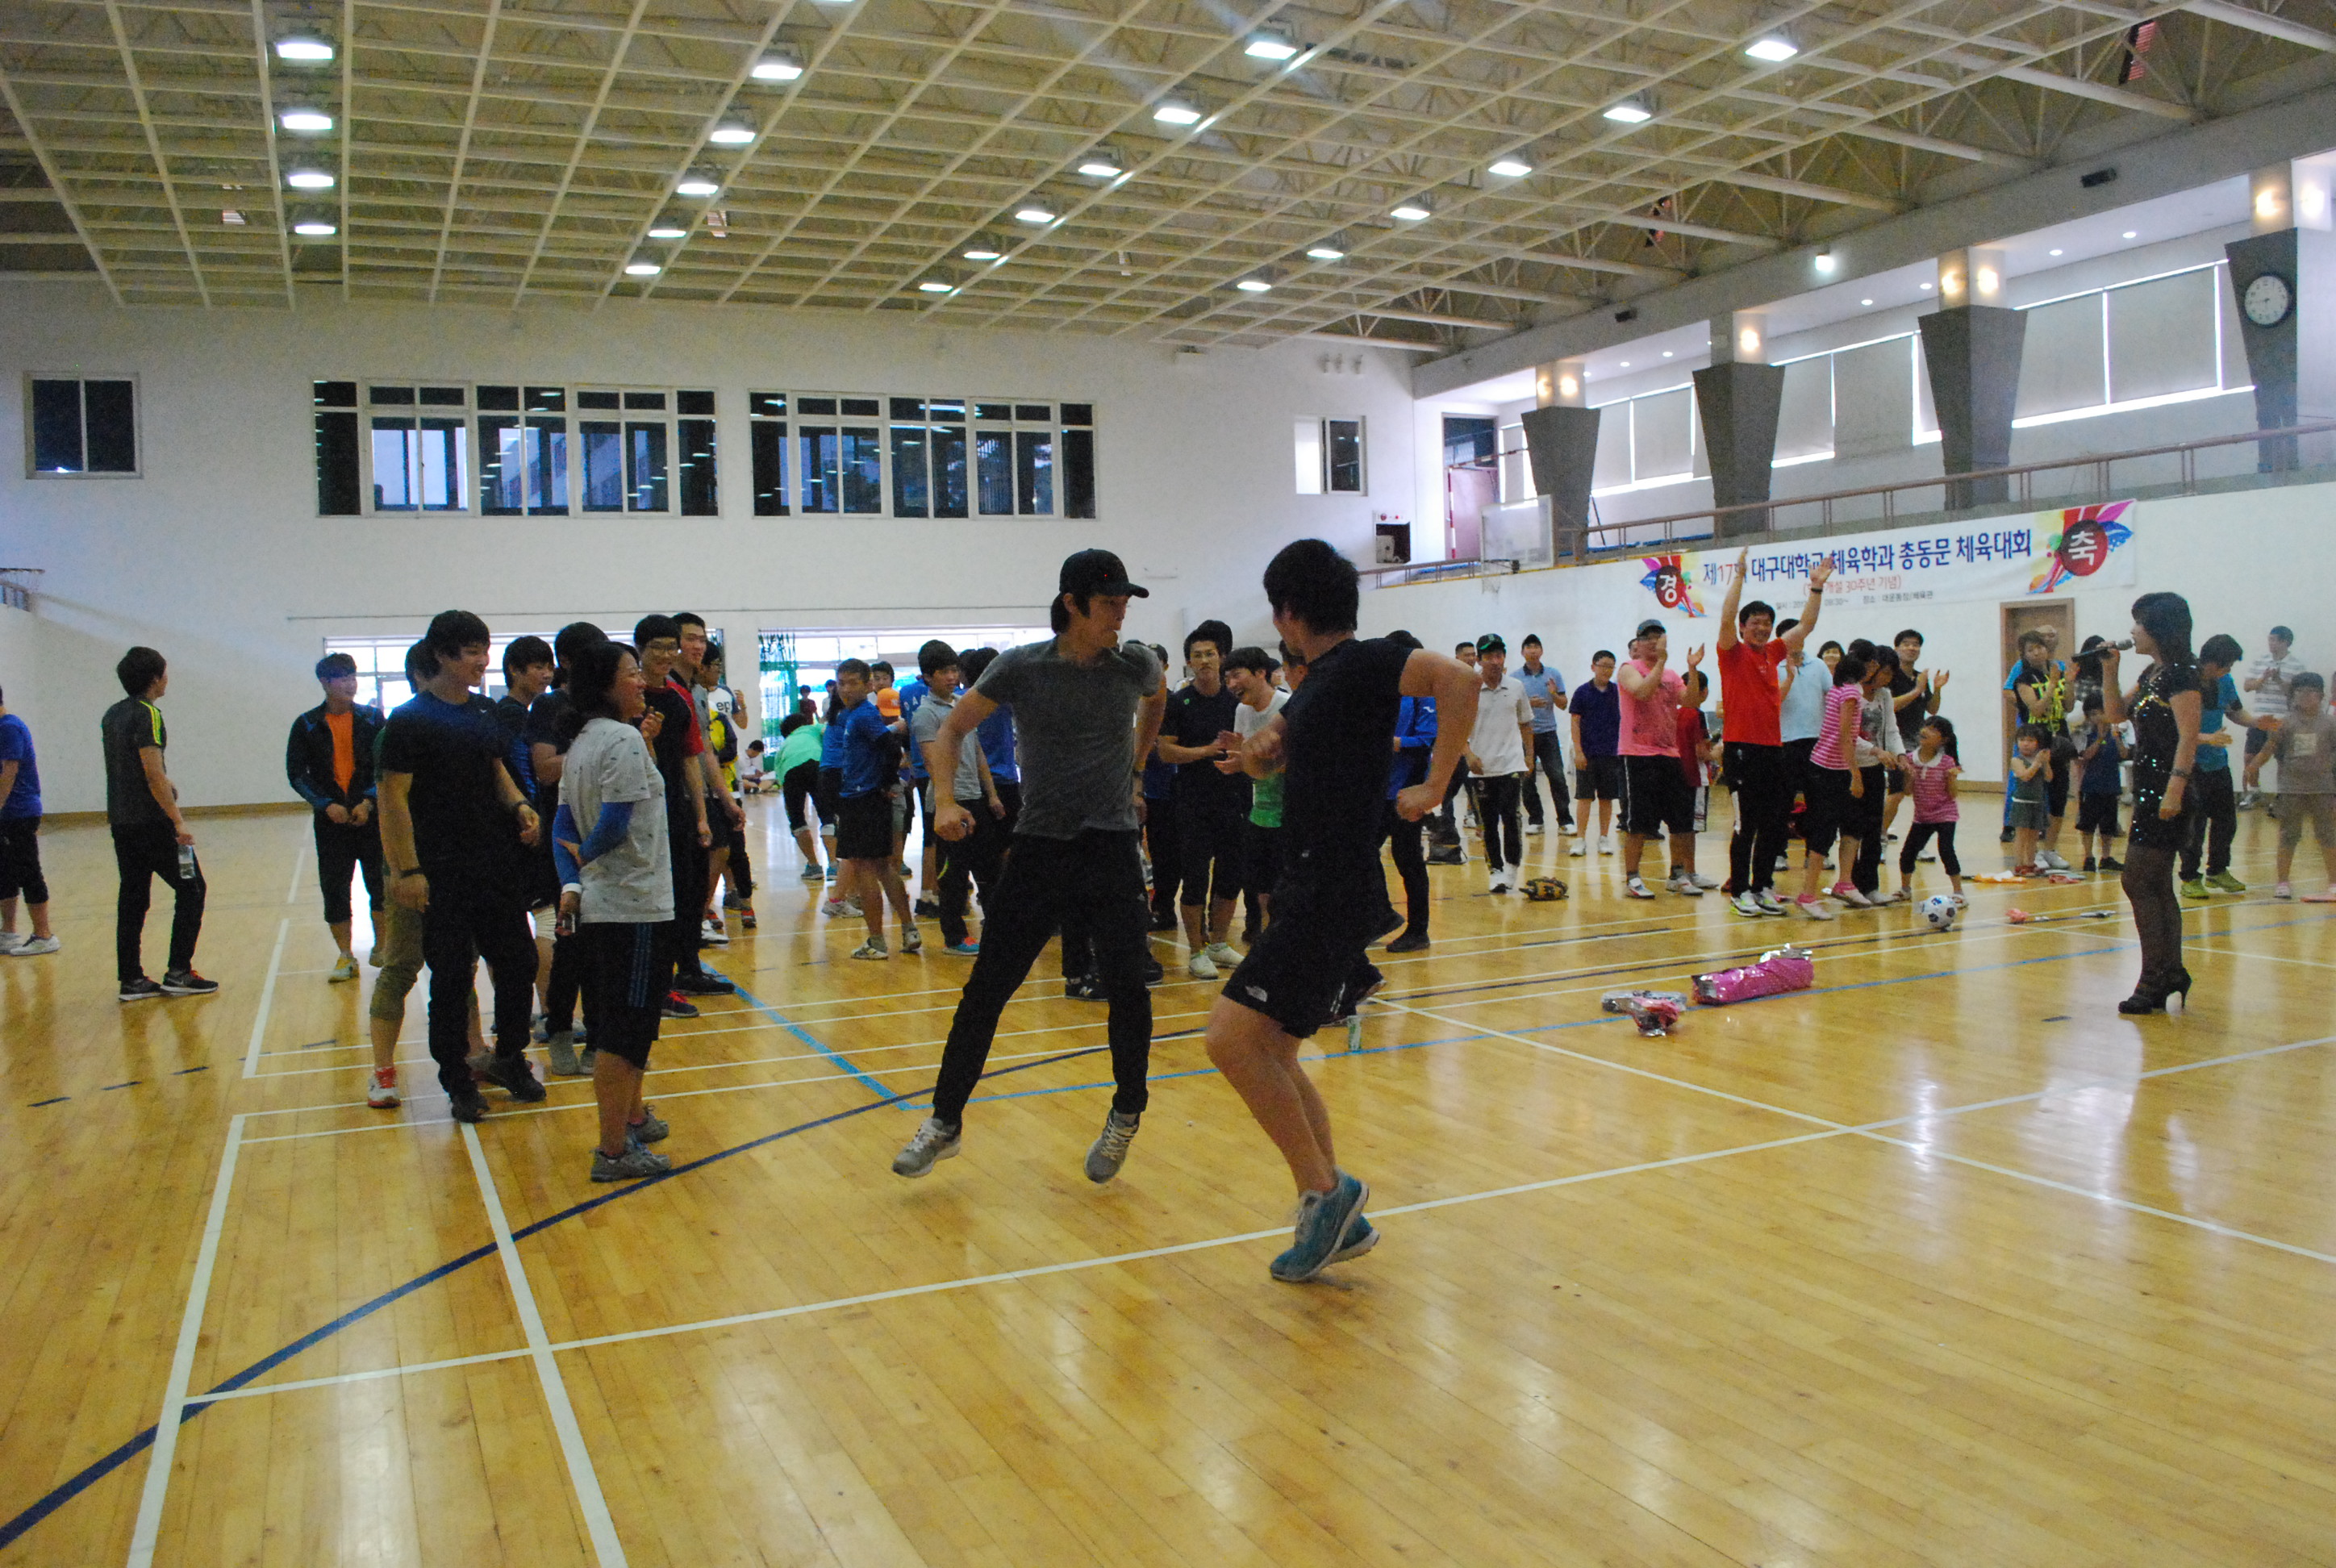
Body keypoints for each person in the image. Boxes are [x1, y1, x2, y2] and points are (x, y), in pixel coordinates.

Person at [1206, 539, 1479, 1282]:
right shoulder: (1320, 684)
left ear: (1289, 611)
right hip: (1314, 883)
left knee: (1230, 1041)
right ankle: (1330, 1207)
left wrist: (1436, 784)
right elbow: (1281, 753)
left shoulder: (1364, 661)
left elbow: (1459, 680)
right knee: (1274, 1050)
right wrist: (1255, 754)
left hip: (1329, 889)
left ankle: (1327, 1194)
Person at [892, 549, 1166, 1183]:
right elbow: (951, 732)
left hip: (1111, 845)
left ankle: (1127, 1110)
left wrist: (1137, 766)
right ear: (1072, 604)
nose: (1120, 615)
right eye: (1109, 604)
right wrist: (943, 800)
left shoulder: (1136, 664)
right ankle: (945, 1121)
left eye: (1125, 603)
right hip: (1041, 846)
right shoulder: (1022, 667)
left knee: (1128, 986)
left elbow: (1156, 703)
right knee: (987, 989)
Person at [378, 611, 546, 1120]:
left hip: (494, 864)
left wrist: (519, 805)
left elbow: (495, 768)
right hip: (442, 871)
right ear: (443, 656)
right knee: (452, 977)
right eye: (472, 652)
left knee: (518, 962)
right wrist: (408, 871)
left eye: (484, 649)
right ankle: (457, 1080)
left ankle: (509, 1057)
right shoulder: (409, 720)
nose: (483, 661)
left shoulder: (483, 712)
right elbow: (392, 799)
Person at [549, 639, 677, 1181]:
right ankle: (613, 1152)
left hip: (604, 903)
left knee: (622, 1024)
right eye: (631, 673)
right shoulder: (621, 739)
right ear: (605, 685)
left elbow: (560, 828)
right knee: (623, 1034)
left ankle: (633, 1118)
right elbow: (613, 824)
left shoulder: (583, 741)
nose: (642, 682)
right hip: (633, 906)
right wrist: (587, 859)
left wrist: (572, 882)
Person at [362, 642, 487, 1109]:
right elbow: (389, 806)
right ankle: (383, 1069)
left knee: (459, 965)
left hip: (455, 868)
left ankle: (475, 1051)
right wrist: (402, 871)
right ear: (424, 674)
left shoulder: (467, 720)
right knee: (401, 967)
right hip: (409, 870)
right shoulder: (399, 729)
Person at [2098, 594, 2201, 1012]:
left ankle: (2155, 976)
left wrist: (2175, 790)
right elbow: (2115, 715)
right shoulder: (2153, 673)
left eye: (2139, 623)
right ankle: (2169, 972)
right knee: (2154, 883)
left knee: (2138, 880)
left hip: (2168, 791)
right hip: (2147, 790)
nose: (2132, 631)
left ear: (2160, 628)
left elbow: (2188, 735)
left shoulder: (2182, 674)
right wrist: (2110, 671)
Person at [1714, 552, 1832, 916]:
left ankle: (1763, 886)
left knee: (1772, 823)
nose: (1762, 628)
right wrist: (1739, 578)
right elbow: (1726, 617)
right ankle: (1740, 891)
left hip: (1772, 750)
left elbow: (1806, 626)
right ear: (1743, 627)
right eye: (1755, 623)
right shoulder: (1731, 653)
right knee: (1745, 824)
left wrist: (1816, 588)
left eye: (1767, 623)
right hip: (1740, 751)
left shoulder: (1774, 653)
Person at [102, 646, 215, 1000]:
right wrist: (178, 822)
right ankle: (179, 972)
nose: (167, 678)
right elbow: (151, 773)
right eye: (165, 672)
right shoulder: (148, 714)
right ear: (155, 678)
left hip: (122, 822)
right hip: (152, 823)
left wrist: (166, 782)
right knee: (192, 888)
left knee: (133, 897)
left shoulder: (113, 714)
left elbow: (137, 769)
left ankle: (131, 979)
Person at [634, 615, 731, 1007]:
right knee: (657, 898)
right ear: (640, 650)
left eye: (669, 647)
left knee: (689, 891)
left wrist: (702, 815)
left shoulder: (679, 697)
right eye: (657, 647)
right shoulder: (631, 696)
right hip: (640, 810)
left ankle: (688, 968)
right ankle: (655, 985)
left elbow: (693, 756)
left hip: (678, 807)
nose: (665, 654)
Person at [525, 620, 605, 1076]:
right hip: (562, 838)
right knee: (568, 942)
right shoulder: (550, 706)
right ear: (570, 662)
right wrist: (596, 753)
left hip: (604, 840)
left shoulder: (608, 708)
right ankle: (558, 1028)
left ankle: (598, 1037)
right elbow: (544, 768)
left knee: (601, 948)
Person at [286, 652, 386, 984]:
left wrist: (369, 801)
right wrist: (326, 804)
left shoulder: (373, 719)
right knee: (335, 889)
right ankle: (346, 955)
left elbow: (385, 765)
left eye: (353, 676)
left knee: (380, 884)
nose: (350, 684)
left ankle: (382, 947)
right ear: (325, 682)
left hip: (371, 820)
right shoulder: (306, 725)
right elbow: (297, 774)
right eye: (342, 678)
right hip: (331, 824)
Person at [1159, 621, 1247, 978]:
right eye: (1197, 655)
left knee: (1230, 875)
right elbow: (1165, 751)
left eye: (1210, 654)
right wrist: (1205, 751)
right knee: (1195, 878)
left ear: (1222, 657)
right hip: (1193, 802)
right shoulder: (1179, 702)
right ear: (1189, 662)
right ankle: (1196, 951)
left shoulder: (1237, 702)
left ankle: (1219, 944)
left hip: (1235, 800)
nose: (1205, 660)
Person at [910, 644, 1006, 956]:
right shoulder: (925, 714)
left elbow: (977, 753)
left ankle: (998, 929)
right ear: (928, 677)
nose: (952, 677)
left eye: (954, 670)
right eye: (944, 672)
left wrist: (991, 794)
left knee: (989, 868)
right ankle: (954, 937)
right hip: (948, 804)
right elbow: (932, 761)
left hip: (974, 797)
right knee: (954, 873)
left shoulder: (963, 705)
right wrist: (947, 803)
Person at [833, 657, 920, 958]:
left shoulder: (863, 716)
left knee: (865, 869)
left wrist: (884, 783)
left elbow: (891, 749)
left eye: (853, 683)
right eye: (841, 683)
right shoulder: (854, 715)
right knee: (883, 866)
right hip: (863, 798)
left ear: (868, 685)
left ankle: (877, 941)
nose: (846, 689)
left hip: (863, 800)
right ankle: (909, 930)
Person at [1614, 620, 1704, 899]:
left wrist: (1692, 669)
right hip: (1638, 754)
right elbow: (1642, 692)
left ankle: (1677, 875)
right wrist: (1661, 661)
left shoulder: (1672, 674)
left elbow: (1691, 702)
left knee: (1681, 819)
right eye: (1648, 638)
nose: (1654, 643)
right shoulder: (1628, 669)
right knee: (1638, 822)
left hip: (1669, 753)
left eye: (1659, 638)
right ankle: (1633, 878)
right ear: (1638, 644)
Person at [1792, 647, 1871, 920]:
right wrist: (1855, 774)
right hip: (1829, 770)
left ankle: (1845, 882)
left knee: (1853, 825)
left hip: (1832, 768)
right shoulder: (1849, 693)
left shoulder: (1839, 690)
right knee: (1824, 832)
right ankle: (1807, 895)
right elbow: (1845, 735)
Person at [2247, 673, 2335, 900]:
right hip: (2291, 788)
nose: (2305, 696)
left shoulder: (2330, 724)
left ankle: (2334, 883)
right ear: (2293, 695)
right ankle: (2283, 882)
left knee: (2327, 835)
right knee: (2288, 835)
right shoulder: (2284, 723)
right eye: (2299, 692)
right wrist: (2253, 766)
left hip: (2323, 788)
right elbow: (2269, 748)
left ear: (2321, 696)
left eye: (2310, 692)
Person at [1379, 631, 1437, 953]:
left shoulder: (1423, 696)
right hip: (1378, 789)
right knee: (1361, 854)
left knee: (1408, 859)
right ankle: (1379, 915)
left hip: (1407, 792)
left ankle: (1418, 930)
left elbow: (1427, 739)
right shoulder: (1385, 692)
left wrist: (1397, 743)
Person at [1224, 647, 1288, 928]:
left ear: (1261, 673)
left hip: (1290, 813)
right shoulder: (1242, 710)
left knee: (1286, 888)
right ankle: (1267, 935)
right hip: (1260, 811)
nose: (1231, 684)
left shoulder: (1287, 706)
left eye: (1236, 675)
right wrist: (1238, 762)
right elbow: (1247, 757)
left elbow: (1291, 761)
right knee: (1261, 888)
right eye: (1227, 678)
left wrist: (1253, 761)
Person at [1465, 634, 1534, 893]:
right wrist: (1468, 754)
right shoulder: (1468, 688)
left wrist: (1529, 756)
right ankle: (1495, 869)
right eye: (1489, 656)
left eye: (1499, 655)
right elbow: (1456, 728)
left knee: (1511, 816)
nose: (1495, 661)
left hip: (1511, 764)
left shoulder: (1516, 687)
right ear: (1479, 660)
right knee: (1488, 823)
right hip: (1481, 768)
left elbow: (1526, 723)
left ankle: (1512, 865)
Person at [2011, 633, 2076, 869]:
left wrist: (2068, 683)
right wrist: (2051, 686)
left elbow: (2068, 706)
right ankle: (2034, 851)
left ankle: (2050, 849)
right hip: (2036, 741)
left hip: (2060, 740)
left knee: (2059, 796)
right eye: (2031, 649)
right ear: (2024, 654)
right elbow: (2037, 710)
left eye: (2040, 647)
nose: (2037, 652)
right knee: (2036, 797)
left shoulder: (2057, 671)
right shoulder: (2024, 679)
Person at [0, 683, 56, 957]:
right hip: (7, 815)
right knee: (5, 873)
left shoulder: (9, 728)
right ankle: (8, 933)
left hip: (20, 813)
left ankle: (44, 935)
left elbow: (8, 774)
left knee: (28, 871)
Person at [1882, 628, 1942, 845]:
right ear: (1897, 648)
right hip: (1894, 742)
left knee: (1924, 793)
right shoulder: (1889, 676)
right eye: (1906, 644)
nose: (1911, 648)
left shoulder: (1920, 677)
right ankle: (1879, 835)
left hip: (1919, 743)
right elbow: (1890, 706)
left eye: (1916, 644)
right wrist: (1917, 690)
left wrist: (1937, 688)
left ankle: (1919, 843)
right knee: (1897, 791)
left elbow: (1932, 709)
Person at [1896, 716, 1964, 903]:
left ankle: (1959, 892)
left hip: (1945, 815)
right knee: (1908, 853)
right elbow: (1907, 792)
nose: (1926, 731)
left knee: (1946, 851)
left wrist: (1951, 779)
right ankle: (1905, 889)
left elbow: (1953, 794)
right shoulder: (1911, 759)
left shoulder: (1947, 762)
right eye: (1926, 726)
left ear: (1943, 740)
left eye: (1933, 730)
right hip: (1922, 817)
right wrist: (1910, 776)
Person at [2241, 625, 2306, 808]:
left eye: (2275, 640)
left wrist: (2278, 680)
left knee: (2283, 760)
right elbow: (2247, 686)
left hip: (2283, 720)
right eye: (2270, 639)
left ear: (2286, 642)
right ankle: (2254, 792)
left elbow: (2298, 695)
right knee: (2250, 757)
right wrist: (2263, 679)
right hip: (2260, 719)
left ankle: (2281, 797)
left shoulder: (2297, 666)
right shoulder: (2260, 661)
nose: (2271, 643)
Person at [1513, 634, 1571, 836]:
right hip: (1524, 735)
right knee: (1527, 779)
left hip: (1548, 733)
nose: (1533, 650)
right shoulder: (1515, 678)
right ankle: (1536, 819)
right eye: (1528, 647)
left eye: (1536, 647)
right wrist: (1529, 704)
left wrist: (1553, 694)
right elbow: (1510, 708)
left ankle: (1565, 819)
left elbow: (1563, 705)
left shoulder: (1553, 674)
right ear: (1522, 652)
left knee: (1557, 777)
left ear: (1542, 651)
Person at [1567, 651, 1622, 857]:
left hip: (1611, 753)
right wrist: (1578, 751)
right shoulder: (1582, 692)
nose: (1606, 670)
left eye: (1610, 667)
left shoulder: (1618, 692)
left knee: (1607, 797)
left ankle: (1604, 838)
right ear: (1593, 667)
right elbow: (1575, 723)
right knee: (1584, 797)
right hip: (1588, 753)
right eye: (1603, 665)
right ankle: (1580, 839)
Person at [773, 711, 832, 881]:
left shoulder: (783, 747)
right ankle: (834, 865)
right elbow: (830, 732)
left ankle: (813, 866)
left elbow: (781, 780)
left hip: (790, 771)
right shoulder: (813, 729)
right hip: (816, 764)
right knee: (827, 816)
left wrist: (791, 812)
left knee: (797, 820)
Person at [2075, 699, 2127, 877]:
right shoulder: (2086, 734)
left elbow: (2124, 754)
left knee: (2108, 825)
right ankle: (2088, 857)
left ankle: (2106, 857)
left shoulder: (2116, 733)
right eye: (2094, 714)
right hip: (2091, 787)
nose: (2099, 717)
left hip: (2111, 786)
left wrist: (2117, 738)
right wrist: (2099, 738)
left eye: (2101, 713)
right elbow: (2086, 756)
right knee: (2088, 824)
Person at [2008, 724, 2052, 876]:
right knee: (2022, 835)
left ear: (2038, 743)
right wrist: (2037, 763)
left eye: (2030, 740)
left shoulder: (2039, 760)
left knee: (2034, 836)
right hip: (2022, 803)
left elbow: (2049, 777)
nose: (2025, 744)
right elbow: (2026, 776)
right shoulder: (2016, 760)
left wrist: (2046, 762)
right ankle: (2019, 864)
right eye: (2022, 740)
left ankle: (2030, 863)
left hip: (2037, 802)